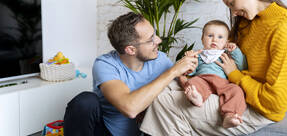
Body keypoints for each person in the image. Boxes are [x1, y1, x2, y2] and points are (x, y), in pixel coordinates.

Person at [140, 0, 287, 135]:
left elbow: (276, 102)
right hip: (229, 86)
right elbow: (219, 56)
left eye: (232, 3)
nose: (233, 13)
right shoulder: (246, 21)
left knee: (165, 102)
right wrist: (193, 66)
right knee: (166, 86)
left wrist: (235, 75)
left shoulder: (285, 25)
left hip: (254, 106)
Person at [64, 12, 199, 136]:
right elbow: (130, 108)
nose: (158, 40)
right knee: (84, 101)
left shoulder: (160, 59)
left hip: (147, 132)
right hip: (108, 133)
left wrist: (187, 72)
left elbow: (179, 88)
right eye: (151, 39)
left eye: (155, 34)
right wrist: (173, 71)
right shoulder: (105, 64)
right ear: (131, 50)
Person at [179, 20, 247, 128]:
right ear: (202, 39)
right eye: (210, 35)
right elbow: (192, 72)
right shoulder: (199, 55)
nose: (214, 39)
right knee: (192, 82)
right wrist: (190, 59)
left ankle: (230, 115)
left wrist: (235, 51)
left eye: (220, 37)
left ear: (226, 42)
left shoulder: (226, 55)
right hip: (203, 79)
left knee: (236, 90)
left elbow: (242, 66)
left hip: (223, 82)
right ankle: (197, 97)